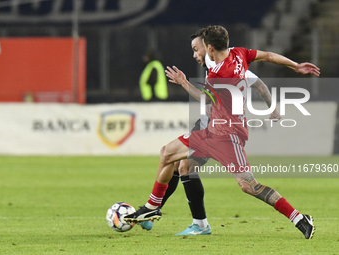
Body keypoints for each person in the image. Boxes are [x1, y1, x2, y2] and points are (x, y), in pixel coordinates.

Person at [126, 25, 319, 239]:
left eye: (197, 49)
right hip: (211, 130)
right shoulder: (240, 53)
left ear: (209, 48)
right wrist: (295, 66)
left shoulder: (218, 75)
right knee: (173, 157)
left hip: (229, 136)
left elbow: (206, 100)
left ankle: (299, 218)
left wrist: (184, 82)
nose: (196, 54)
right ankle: (157, 208)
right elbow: (270, 56)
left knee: (249, 186)